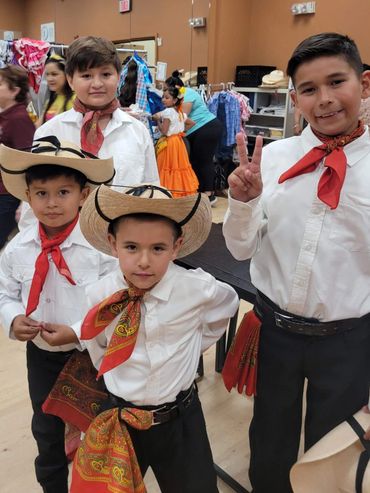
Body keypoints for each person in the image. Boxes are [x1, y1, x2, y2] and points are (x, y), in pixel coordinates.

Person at [223, 32, 370, 493]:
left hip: (349, 338)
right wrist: (241, 202)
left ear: (364, 84)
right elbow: (241, 250)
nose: (324, 100)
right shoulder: (274, 159)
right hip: (275, 332)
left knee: (334, 448)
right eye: (309, 89)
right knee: (268, 435)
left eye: (336, 82)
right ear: (294, 98)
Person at [40, 183, 239, 493]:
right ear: (113, 243)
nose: (144, 261)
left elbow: (225, 308)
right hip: (120, 417)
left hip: (180, 419)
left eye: (158, 248)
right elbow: (98, 348)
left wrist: (191, 348)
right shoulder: (100, 295)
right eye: (131, 247)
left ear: (176, 247)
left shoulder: (197, 288)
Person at [0, 137, 117, 493]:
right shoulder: (17, 248)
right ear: (28, 197)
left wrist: (79, 333)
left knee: (100, 424)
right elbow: (4, 292)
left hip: (94, 355)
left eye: (63, 192)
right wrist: (13, 318)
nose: (51, 203)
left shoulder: (101, 247)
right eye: (41, 193)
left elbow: (115, 301)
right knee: (45, 425)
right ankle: (53, 486)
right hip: (42, 356)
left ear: (83, 194)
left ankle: (99, 482)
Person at [34, 36, 158, 188]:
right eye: (86, 76)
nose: (97, 84)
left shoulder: (137, 131)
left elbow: (151, 188)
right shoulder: (49, 132)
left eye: (106, 74)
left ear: (118, 77)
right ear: (71, 80)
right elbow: (36, 194)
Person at [166, 70, 223, 206]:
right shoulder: (180, 95)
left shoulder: (186, 93)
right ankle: (199, 191)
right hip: (199, 130)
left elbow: (182, 117)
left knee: (204, 161)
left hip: (207, 127)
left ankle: (209, 194)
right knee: (195, 161)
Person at [0, 64, 35, 249]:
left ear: (14, 91)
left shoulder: (18, 119)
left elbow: (27, 159)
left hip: (8, 194)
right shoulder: (5, 116)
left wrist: (23, 201)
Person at [152, 85, 198, 197]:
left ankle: (167, 192)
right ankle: (180, 191)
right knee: (179, 167)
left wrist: (158, 121)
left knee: (167, 167)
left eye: (167, 98)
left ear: (175, 100)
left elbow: (164, 131)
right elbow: (192, 123)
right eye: (163, 97)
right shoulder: (180, 112)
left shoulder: (168, 112)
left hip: (169, 144)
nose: (163, 99)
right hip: (179, 142)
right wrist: (181, 131)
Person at [36, 54, 75, 127]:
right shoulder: (51, 100)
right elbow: (39, 126)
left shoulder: (76, 100)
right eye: (47, 74)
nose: (49, 79)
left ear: (66, 74)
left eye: (54, 74)